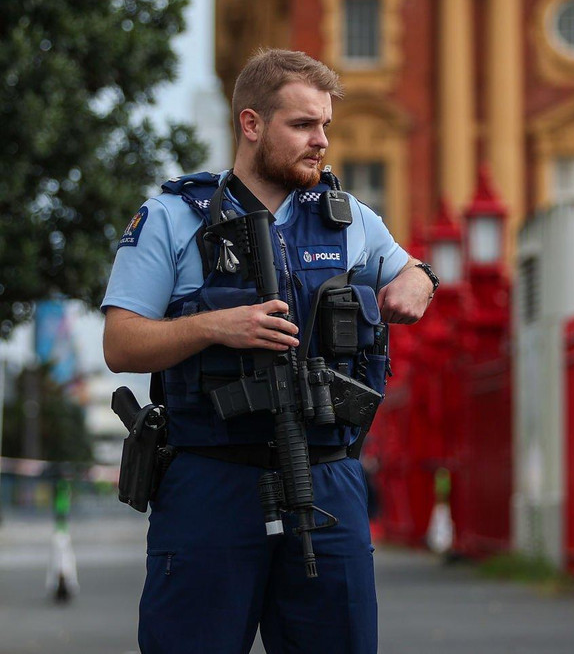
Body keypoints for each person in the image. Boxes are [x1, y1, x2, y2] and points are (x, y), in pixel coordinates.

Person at [101, 48, 436, 654]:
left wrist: (420, 279)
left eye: (326, 126)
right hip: (212, 481)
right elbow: (121, 343)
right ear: (251, 124)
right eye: (304, 125)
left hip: (329, 476)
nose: (321, 141)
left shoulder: (349, 218)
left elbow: (411, 267)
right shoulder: (172, 218)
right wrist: (215, 326)